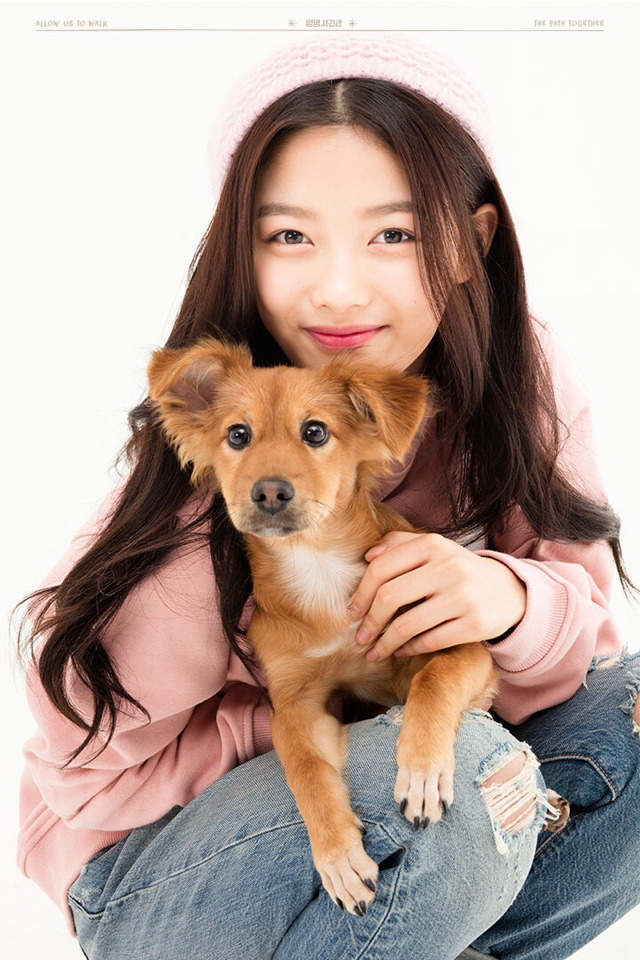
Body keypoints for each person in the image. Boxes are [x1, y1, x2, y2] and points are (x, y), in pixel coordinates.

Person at [14, 33, 640, 960]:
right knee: (466, 768)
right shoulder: (214, 467)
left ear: (469, 246)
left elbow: (581, 667)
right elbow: (83, 774)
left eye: (394, 234)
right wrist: (292, 704)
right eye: (290, 235)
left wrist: (508, 599)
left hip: (423, 808)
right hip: (151, 865)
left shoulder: (518, 380)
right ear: (244, 248)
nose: (340, 289)